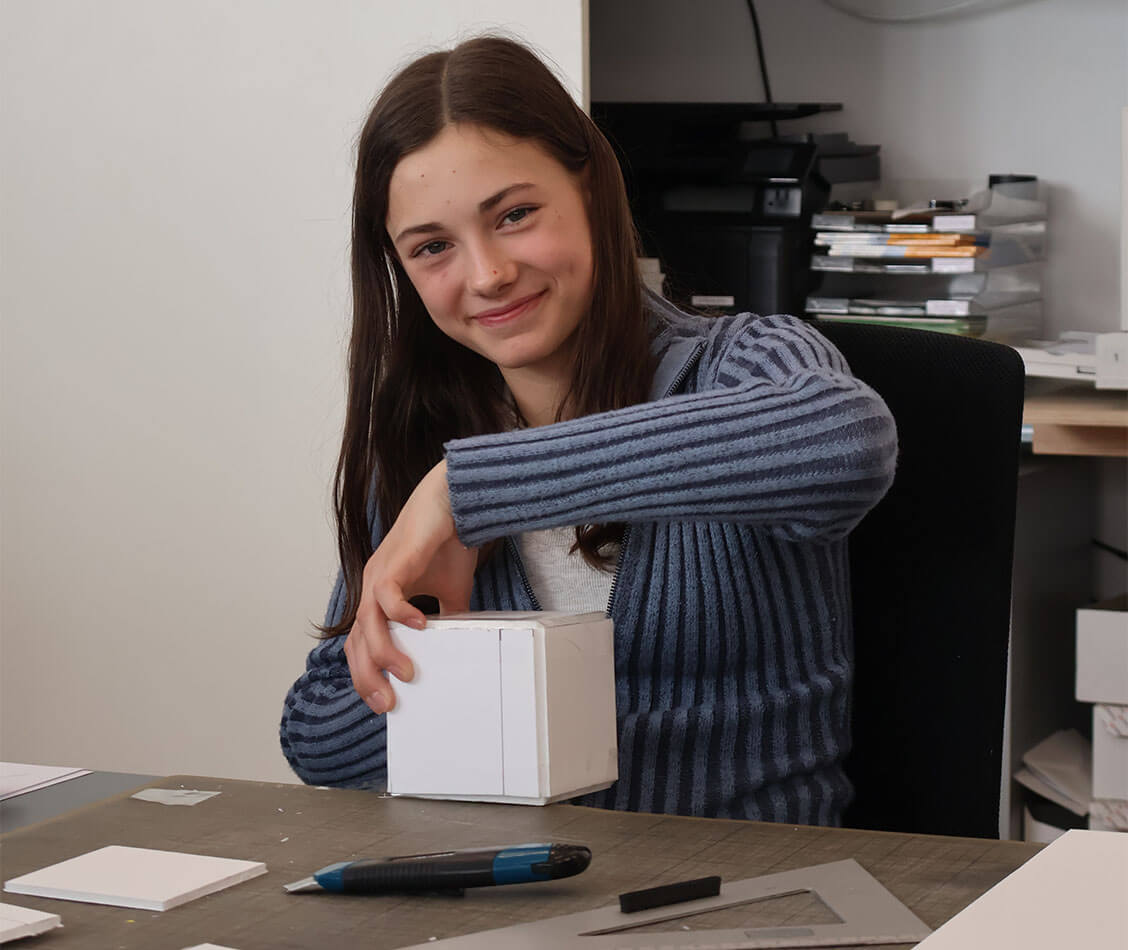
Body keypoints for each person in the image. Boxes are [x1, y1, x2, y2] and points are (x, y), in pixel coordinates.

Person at [279, 34, 897, 826]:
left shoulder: (745, 361)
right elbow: (315, 741)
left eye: (515, 215)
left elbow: (844, 443)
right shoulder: (417, 443)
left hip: (744, 903)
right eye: (433, 247)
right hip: (512, 895)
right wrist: (439, 663)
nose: (487, 274)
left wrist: (472, 490)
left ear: (591, 189)